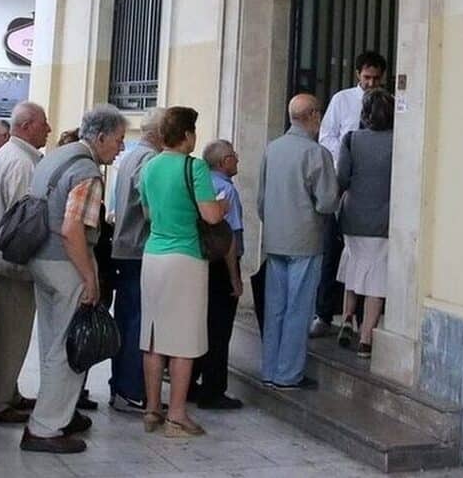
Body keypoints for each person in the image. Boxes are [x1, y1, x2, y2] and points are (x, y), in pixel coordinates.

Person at [20, 105, 126, 454]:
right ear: (100, 137)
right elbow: (72, 230)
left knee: (52, 343)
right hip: (65, 263)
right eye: (118, 140)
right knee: (70, 348)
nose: (121, 148)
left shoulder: (57, 155)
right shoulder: (86, 171)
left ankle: (55, 413)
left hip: (39, 258)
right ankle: (45, 428)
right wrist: (90, 278)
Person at [136, 107, 228, 438]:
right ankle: (176, 415)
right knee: (184, 340)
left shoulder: (149, 166)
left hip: (153, 255)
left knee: (153, 336)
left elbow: (147, 212)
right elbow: (211, 216)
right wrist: (223, 205)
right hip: (185, 258)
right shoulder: (195, 167)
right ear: (187, 135)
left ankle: (152, 408)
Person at [0, 102, 51, 424]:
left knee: (4, 333)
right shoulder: (21, 162)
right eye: (44, 124)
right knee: (11, 335)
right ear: (28, 125)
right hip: (11, 264)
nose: (48, 129)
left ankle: (7, 391)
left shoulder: (10, 155)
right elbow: (25, 222)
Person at [258, 94, 339, 390]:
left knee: (275, 308)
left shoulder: (272, 149)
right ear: (314, 115)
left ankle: (269, 369)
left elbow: (261, 200)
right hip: (305, 238)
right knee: (299, 309)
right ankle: (288, 374)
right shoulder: (317, 153)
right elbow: (327, 201)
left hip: (275, 238)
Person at [311, 51, 387, 338]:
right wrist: (347, 153)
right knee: (334, 253)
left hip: (370, 191)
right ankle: (325, 313)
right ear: (358, 75)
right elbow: (326, 136)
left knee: (365, 261)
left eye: (376, 78)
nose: (371, 83)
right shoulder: (342, 100)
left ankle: (355, 319)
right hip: (345, 186)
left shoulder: (386, 104)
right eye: (367, 77)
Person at [107, 106, 165, 414]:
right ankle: (130, 389)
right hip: (139, 248)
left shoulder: (130, 155)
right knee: (138, 322)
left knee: (127, 319)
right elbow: (150, 206)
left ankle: (121, 387)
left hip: (125, 247)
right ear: (159, 132)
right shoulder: (150, 160)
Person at [335, 89, 395, 358]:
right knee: (377, 279)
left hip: (353, 215)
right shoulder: (398, 142)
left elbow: (342, 178)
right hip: (383, 217)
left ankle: (347, 317)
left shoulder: (351, 139)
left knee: (354, 266)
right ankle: (366, 337)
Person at [191, 139, 245, 410]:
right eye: (234, 155)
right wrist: (235, 277)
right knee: (220, 330)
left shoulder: (200, 184)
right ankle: (213, 390)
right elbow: (229, 238)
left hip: (200, 261)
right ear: (224, 162)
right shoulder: (227, 191)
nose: (237, 159)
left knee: (201, 325)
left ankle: (191, 383)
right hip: (221, 264)